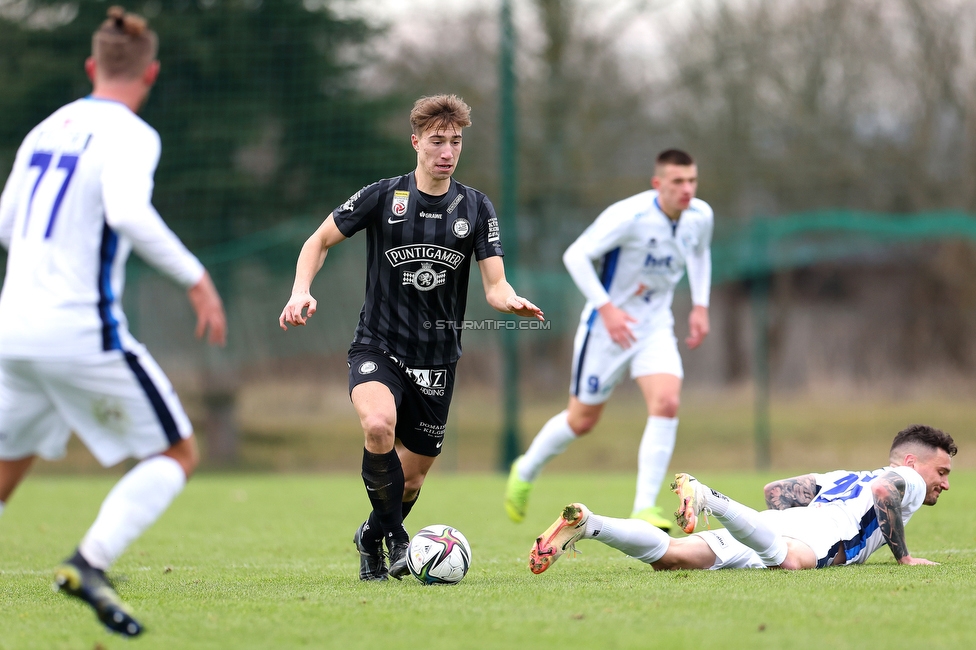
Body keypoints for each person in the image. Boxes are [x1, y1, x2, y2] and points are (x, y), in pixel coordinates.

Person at [0, 7, 226, 637]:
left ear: (91, 67)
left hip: (12, 328)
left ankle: (87, 564)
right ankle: (87, 564)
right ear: (150, 72)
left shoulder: (44, 129)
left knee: (6, 467)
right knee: (177, 452)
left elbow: (5, 224)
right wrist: (195, 278)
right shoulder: (131, 133)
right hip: (77, 330)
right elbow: (127, 213)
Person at [279, 94, 543, 581]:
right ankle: (396, 539)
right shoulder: (383, 196)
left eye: (456, 142)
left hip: (438, 361)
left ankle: (370, 536)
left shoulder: (476, 207)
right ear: (416, 141)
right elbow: (318, 240)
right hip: (378, 346)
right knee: (378, 425)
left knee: (414, 476)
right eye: (438, 141)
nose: (447, 151)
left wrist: (509, 299)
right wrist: (300, 291)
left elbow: (495, 282)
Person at [505, 149, 712, 530]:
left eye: (692, 181)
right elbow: (575, 256)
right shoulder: (628, 216)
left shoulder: (700, 216)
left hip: (654, 327)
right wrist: (607, 308)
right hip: (606, 328)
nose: (687, 190)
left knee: (666, 402)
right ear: (658, 184)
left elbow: (700, 254)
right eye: (678, 182)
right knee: (582, 420)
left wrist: (700, 305)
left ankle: (644, 507)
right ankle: (526, 469)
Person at [528, 424, 954, 574]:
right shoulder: (908, 479)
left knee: (670, 557)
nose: (945, 483)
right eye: (942, 472)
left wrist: (781, 523)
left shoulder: (845, 476)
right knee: (790, 561)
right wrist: (904, 558)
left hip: (776, 525)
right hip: (813, 536)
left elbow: (776, 492)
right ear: (914, 461)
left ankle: (590, 524)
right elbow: (884, 492)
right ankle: (709, 497)